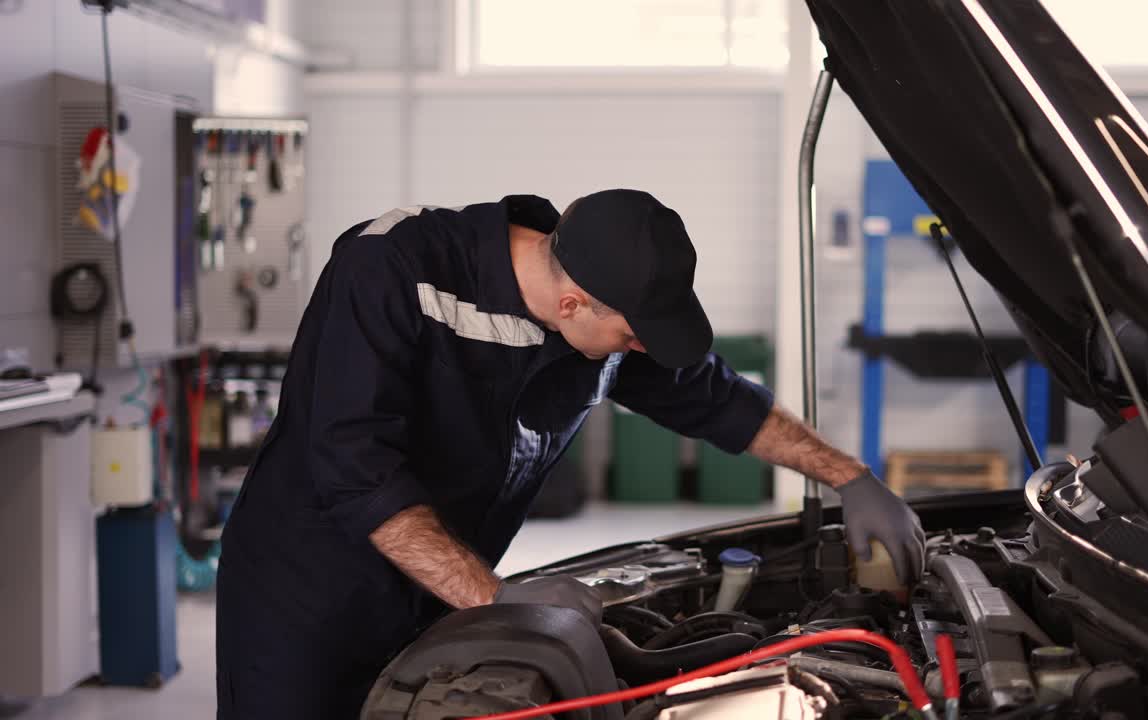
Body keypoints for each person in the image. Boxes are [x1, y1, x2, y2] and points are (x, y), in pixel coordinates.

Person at [215, 190, 925, 718]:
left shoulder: (601, 303)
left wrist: (851, 476)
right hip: (307, 592)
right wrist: (494, 598)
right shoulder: (393, 269)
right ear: (571, 306)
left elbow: (714, 397)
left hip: (442, 580)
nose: (639, 351)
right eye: (631, 337)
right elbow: (353, 468)